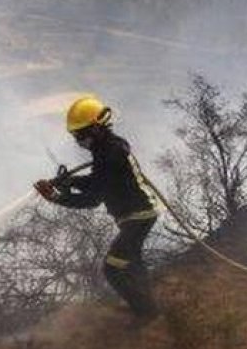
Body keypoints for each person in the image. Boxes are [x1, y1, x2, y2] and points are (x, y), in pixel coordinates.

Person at [34, 96, 160, 319]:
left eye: (81, 134)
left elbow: (92, 199)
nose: (78, 140)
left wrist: (55, 197)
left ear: (96, 128)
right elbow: (98, 181)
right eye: (75, 135)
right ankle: (150, 309)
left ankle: (147, 315)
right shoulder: (107, 148)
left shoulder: (110, 154)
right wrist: (71, 182)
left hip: (138, 216)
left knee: (113, 269)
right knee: (132, 263)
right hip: (138, 214)